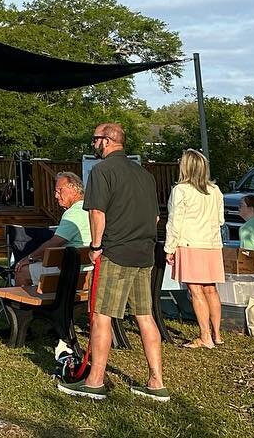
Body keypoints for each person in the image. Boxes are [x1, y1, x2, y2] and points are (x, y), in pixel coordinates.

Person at [59, 122, 167, 402]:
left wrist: (96, 247)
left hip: (115, 253)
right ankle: (156, 381)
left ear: (106, 141)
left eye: (95, 139)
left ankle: (94, 381)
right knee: (145, 316)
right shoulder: (145, 175)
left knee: (101, 317)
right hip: (144, 254)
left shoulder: (101, 171)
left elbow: (97, 213)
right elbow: (155, 217)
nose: (93, 145)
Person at [165, 149, 225, 349]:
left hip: (190, 243)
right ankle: (217, 334)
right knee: (211, 289)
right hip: (212, 244)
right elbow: (220, 219)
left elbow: (175, 221)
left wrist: (169, 247)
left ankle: (205, 336)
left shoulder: (181, 190)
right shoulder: (215, 190)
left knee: (196, 291)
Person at [14, 171, 91, 289]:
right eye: (55, 191)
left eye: (59, 190)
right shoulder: (93, 209)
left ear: (74, 189)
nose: (56, 195)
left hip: (71, 272)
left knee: (22, 271)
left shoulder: (73, 213)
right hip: (90, 271)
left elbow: (56, 242)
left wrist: (30, 258)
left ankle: (24, 306)